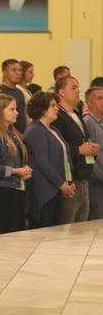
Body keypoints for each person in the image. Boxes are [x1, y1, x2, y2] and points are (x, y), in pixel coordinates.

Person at [0, 94, 32, 238]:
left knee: (16, 232)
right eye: (12, 109)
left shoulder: (12, 135)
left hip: (15, 188)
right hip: (0, 190)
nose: (16, 113)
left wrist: (24, 169)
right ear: (0, 111)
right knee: (2, 234)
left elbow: (16, 160)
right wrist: (16, 171)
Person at [24, 92, 75, 228]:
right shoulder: (35, 130)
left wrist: (69, 182)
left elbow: (65, 157)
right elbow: (43, 163)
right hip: (44, 190)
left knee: (55, 232)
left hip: (57, 188)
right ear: (41, 108)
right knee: (44, 231)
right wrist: (62, 185)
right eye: (52, 105)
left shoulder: (53, 129)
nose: (57, 108)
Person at [52, 76, 98, 223]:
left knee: (81, 228)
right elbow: (56, 149)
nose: (78, 90)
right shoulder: (57, 116)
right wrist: (79, 150)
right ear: (62, 92)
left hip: (84, 177)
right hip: (70, 179)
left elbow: (83, 141)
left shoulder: (77, 113)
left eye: (78, 87)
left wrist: (91, 148)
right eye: (73, 87)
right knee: (67, 227)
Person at [84, 86, 103, 220]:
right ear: (89, 103)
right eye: (100, 98)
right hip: (95, 179)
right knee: (97, 219)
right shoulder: (89, 122)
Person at [0, 59, 29, 134]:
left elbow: (25, 115)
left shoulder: (20, 92)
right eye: (14, 70)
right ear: (5, 73)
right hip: (10, 135)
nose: (18, 73)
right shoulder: (1, 92)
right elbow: (3, 119)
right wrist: (18, 137)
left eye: (19, 70)